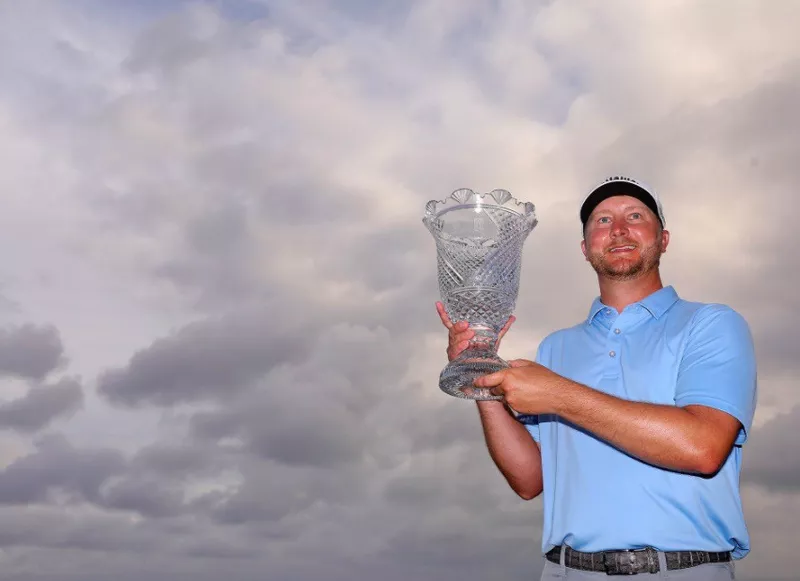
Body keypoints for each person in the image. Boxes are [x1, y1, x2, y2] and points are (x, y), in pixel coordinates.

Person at [436, 176, 758, 580]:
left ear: (663, 239)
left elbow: (703, 447)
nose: (619, 229)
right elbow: (529, 479)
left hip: (681, 570)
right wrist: (482, 377)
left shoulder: (710, 324)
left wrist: (559, 395)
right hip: (566, 570)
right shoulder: (555, 348)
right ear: (586, 249)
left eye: (635, 216)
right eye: (602, 220)